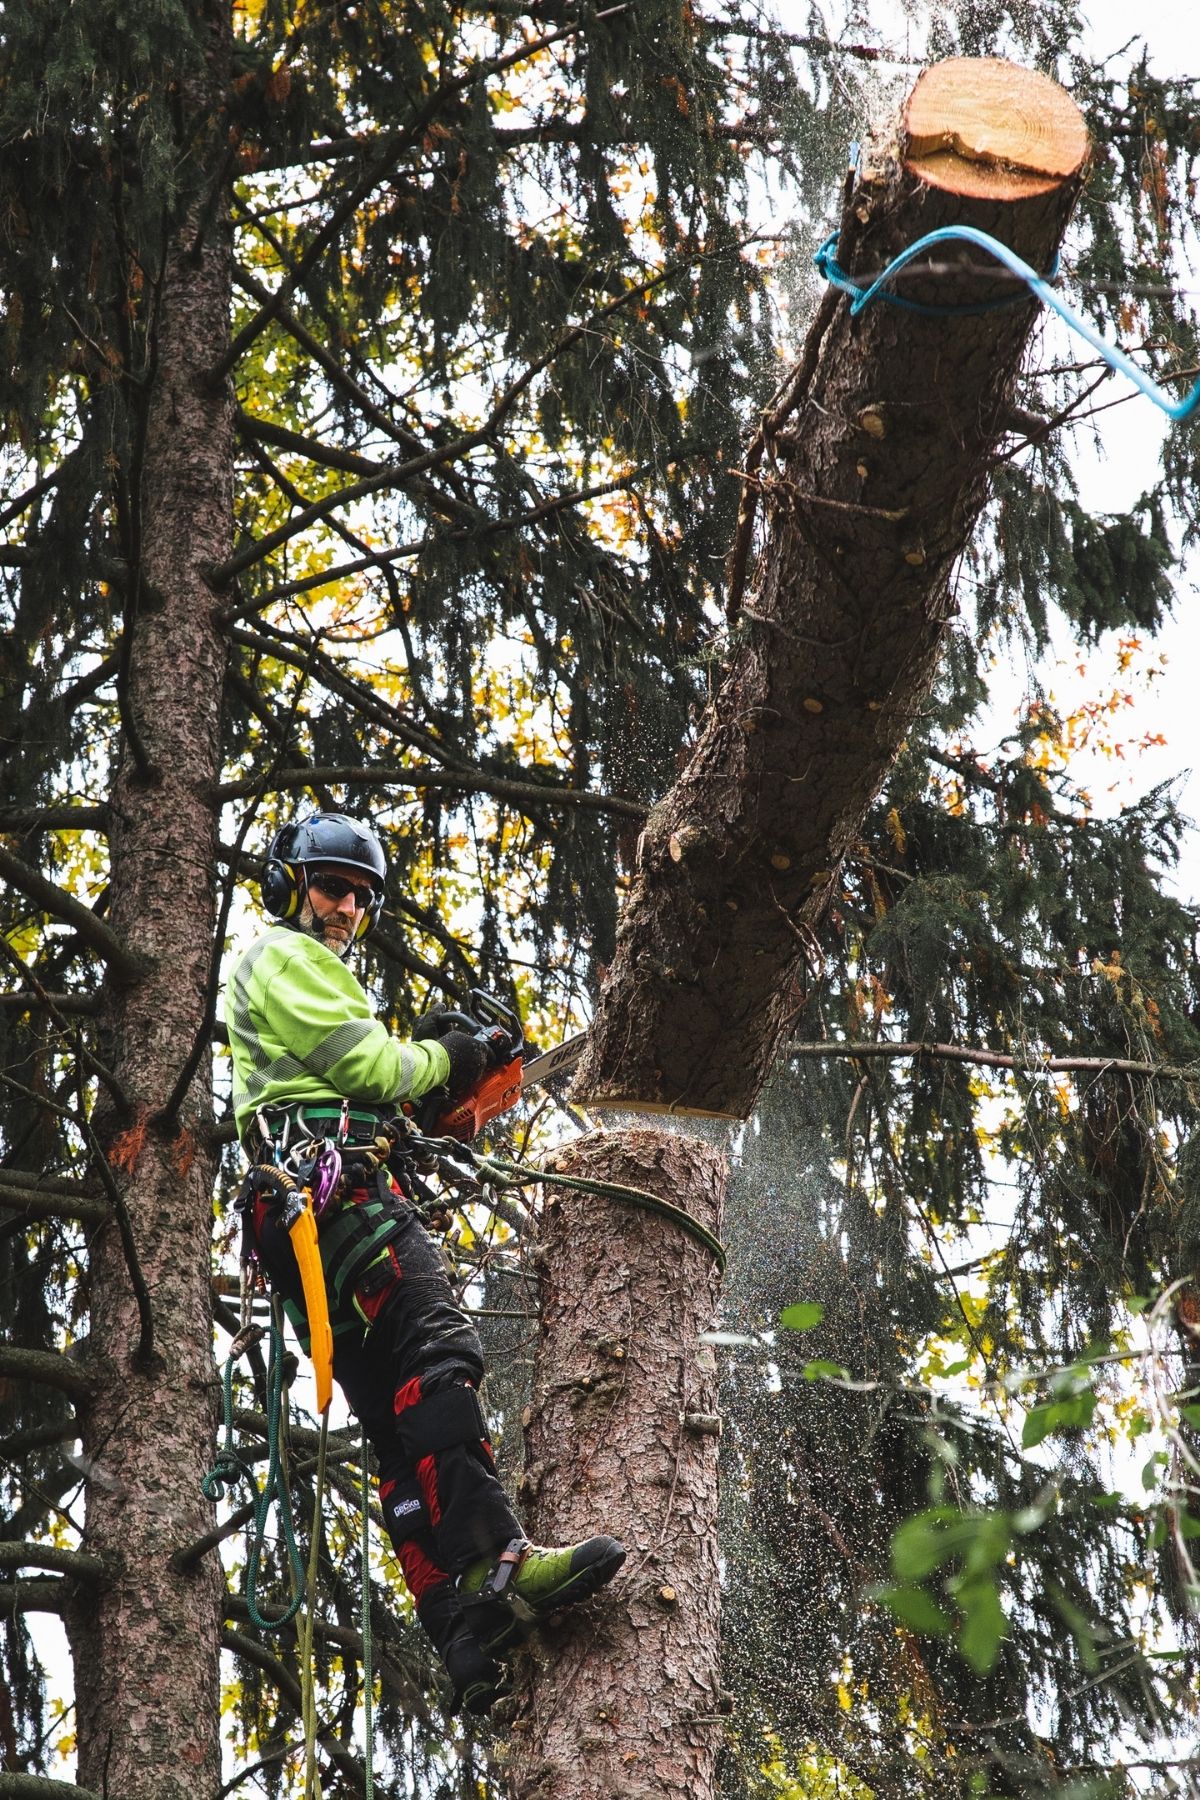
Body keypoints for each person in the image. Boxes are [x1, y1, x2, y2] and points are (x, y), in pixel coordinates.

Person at [224, 811, 624, 1714]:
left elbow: (361, 1091)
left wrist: (438, 1095)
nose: (347, 908)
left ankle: (456, 1624)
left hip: (306, 1219)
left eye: (361, 896)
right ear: (292, 886)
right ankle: (498, 1559)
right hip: (341, 1207)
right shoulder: (283, 956)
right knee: (440, 1352)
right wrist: (451, 1054)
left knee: (397, 1425)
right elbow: (366, 1065)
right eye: (333, 887)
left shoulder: (294, 973)